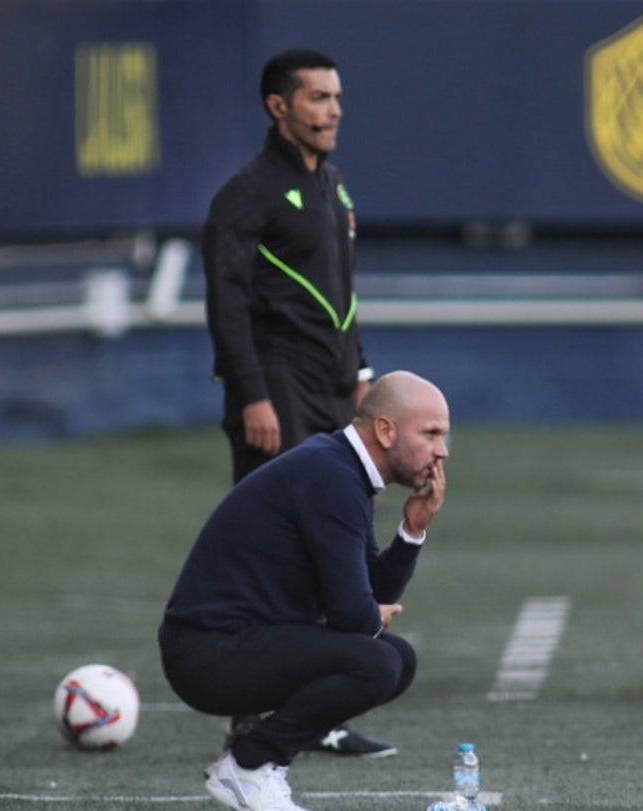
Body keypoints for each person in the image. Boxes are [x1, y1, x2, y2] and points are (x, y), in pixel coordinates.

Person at [158, 371, 450, 811]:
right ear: (386, 430)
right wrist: (368, 614)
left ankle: (256, 760)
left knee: (394, 659)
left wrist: (412, 530)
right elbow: (356, 617)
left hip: (237, 641)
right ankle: (250, 765)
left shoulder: (341, 471)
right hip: (207, 651)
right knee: (378, 662)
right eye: (431, 433)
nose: (442, 451)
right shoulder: (332, 476)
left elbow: (369, 599)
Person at [203, 49, 387, 757]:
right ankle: (250, 716)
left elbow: (344, 294)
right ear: (278, 108)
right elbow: (228, 299)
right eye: (317, 98)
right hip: (275, 391)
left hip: (335, 391)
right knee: (269, 556)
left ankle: (315, 712)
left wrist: (362, 369)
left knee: (330, 550)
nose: (333, 109)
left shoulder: (333, 188)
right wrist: (251, 392)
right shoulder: (245, 194)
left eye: (337, 96)